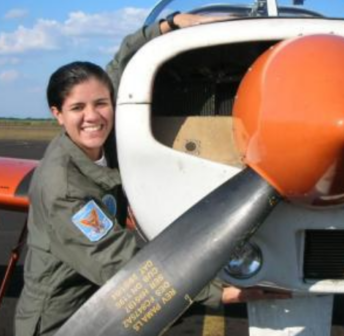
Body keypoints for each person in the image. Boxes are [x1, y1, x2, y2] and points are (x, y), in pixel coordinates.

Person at [16, 15, 289, 336]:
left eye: (101, 103)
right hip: (67, 320)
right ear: (57, 114)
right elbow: (115, 261)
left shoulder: (100, 127)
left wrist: (171, 24)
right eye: (77, 108)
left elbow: (124, 63)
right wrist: (214, 291)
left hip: (99, 299)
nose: (93, 117)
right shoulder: (63, 188)